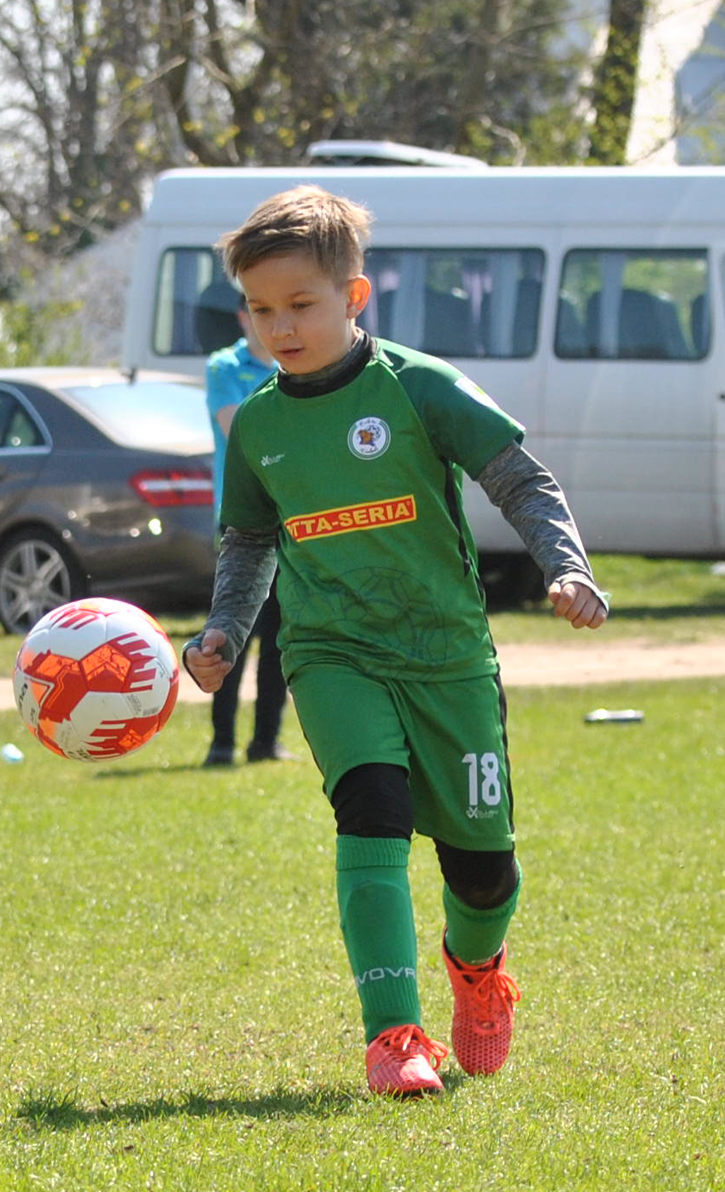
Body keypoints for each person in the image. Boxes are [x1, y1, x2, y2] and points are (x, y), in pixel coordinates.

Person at [182, 186, 609, 1097]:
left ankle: (478, 973)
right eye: (260, 309)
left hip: (447, 655)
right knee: (370, 807)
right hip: (333, 652)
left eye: (301, 305)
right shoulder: (258, 423)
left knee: (484, 871)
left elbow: (520, 480)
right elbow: (250, 541)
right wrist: (224, 628)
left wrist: (564, 567)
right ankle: (394, 1037)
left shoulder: (419, 387)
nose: (280, 327)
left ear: (354, 298)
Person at [202, 295, 293, 767]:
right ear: (244, 317)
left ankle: (265, 743)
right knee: (228, 637)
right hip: (240, 521)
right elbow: (238, 429)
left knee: (281, 639)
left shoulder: (295, 368)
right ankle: (221, 744)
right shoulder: (224, 367)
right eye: (260, 310)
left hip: (289, 521)